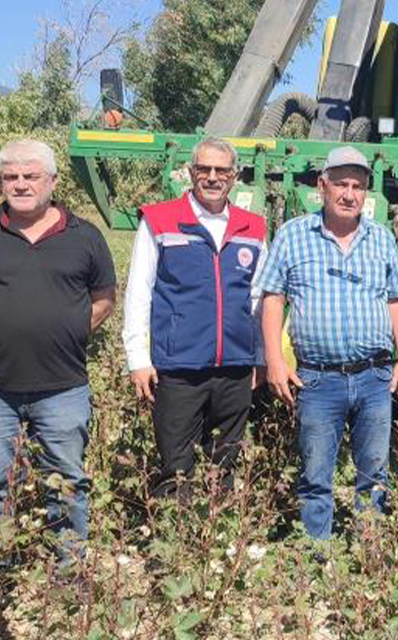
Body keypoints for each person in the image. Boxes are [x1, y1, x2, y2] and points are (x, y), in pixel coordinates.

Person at [0, 139, 116, 565]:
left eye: (30, 176)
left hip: (62, 386)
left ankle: (68, 569)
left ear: (53, 181)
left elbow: (103, 298)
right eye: (11, 177)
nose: (20, 184)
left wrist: (68, 333)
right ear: (1, 181)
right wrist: (1, 330)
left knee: (66, 481)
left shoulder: (85, 237)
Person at [260, 146, 398, 540]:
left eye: (358, 186)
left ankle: (368, 551)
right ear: (322, 187)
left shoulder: (381, 239)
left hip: (374, 377)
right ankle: (317, 555)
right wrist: (274, 360)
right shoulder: (294, 235)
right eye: (341, 184)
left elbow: (396, 301)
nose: (349, 194)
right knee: (315, 475)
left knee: (374, 474)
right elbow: (273, 298)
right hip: (317, 379)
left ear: (367, 193)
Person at [123, 138, 268, 500]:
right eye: (204, 169)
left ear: (235, 176)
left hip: (235, 366)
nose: (213, 177)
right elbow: (139, 292)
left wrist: (261, 357)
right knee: (176, 464)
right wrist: (138, 360)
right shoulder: (160, 220)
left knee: (226, 463)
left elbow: (260, 300)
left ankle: (215, 542)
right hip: (178, 366)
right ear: (191, 172)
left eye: (222, 170)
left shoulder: (254, 228)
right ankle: (174, 546)